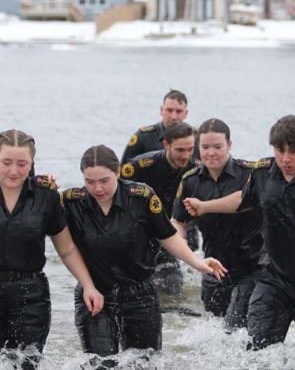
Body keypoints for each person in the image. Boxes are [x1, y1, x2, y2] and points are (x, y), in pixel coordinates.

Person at [183, 115, 295, 354]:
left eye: (293, 151)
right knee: (258, 352)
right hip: (273, 277)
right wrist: (206, 206)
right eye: (279, 150)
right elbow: (242, 199)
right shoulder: (262, 171)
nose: (285, 158)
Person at [61, 145, 226, 363]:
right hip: (95, 295)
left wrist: (197, 262)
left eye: (104, 180)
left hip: (138, 294)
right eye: (90, 182)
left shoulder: (141, 196)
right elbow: (53, 234)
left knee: (144, 363)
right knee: (100, 364)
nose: (97, 188)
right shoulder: (71, 202)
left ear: (118, 172)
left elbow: (166, 235)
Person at [0, 129, 103, 370]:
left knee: (25, 364)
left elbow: (66, 248)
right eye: (6, 162)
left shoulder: (46, 195)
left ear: (32, 163)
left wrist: (88, 285)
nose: (14, 170)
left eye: (22, 163)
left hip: (31, 297)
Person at [171, 118, 264, 331]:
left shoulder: (249, 173)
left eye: (217, 147)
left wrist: (204, 206)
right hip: (213, 268)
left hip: (252, 267)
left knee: (234, 328)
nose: (210, 153)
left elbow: (242, 200)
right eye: (204, 147)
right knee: (215, 333)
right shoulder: (190, 180)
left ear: (229, 145)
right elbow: (178, 221)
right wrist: (185, 251)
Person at [121, 122, 199, 304]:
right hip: (142, 232)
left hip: (172, 231)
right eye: (180, 150)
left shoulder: (196, 169)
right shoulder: (140, 166)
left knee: (173, 287)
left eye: (190, 149)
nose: (186, 155)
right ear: (166, 145)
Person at [120, 89, 189, 165]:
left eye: (179, 111)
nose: (174, 117)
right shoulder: (143, 137)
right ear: (161, 110)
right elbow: (124, 168)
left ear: (186, 113)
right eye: (169, 110)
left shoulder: (196, 139)